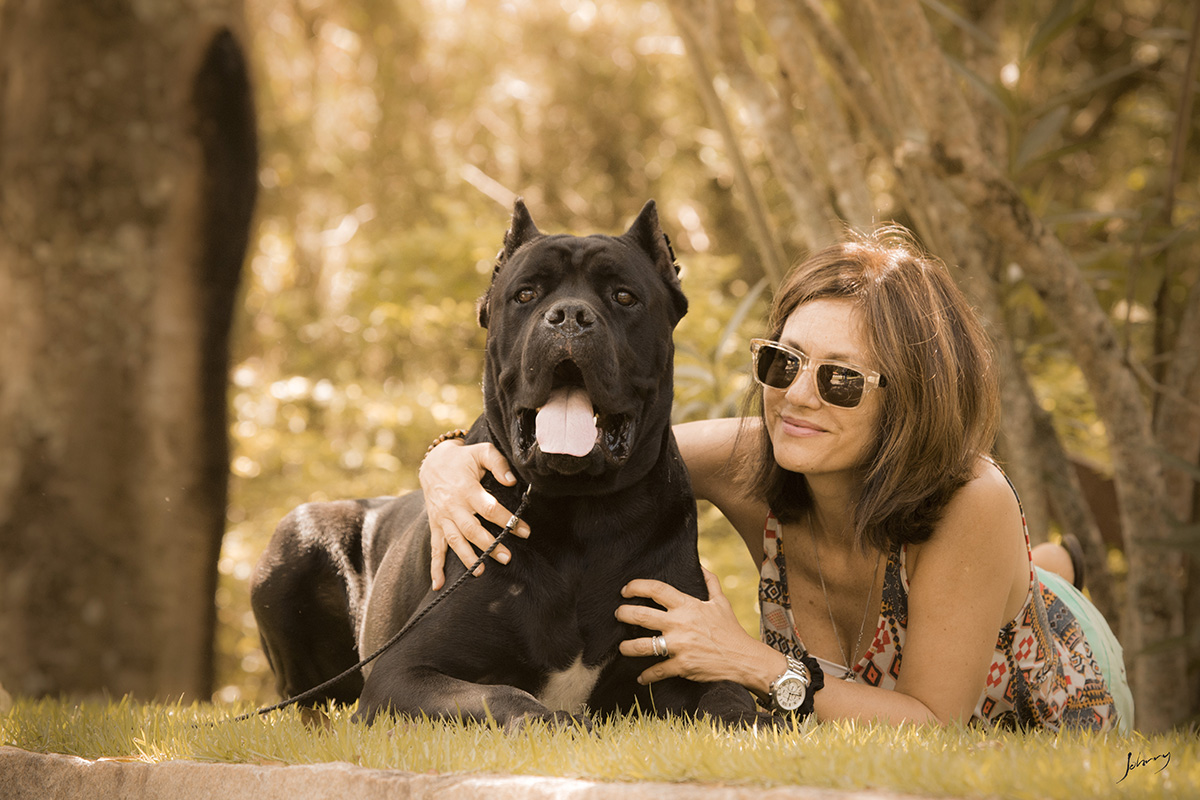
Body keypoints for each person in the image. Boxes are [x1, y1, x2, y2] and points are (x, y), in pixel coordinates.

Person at [419, 226, 1133, 732]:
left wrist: (749, 662)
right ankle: (1047, 564)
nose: (799, 397)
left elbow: (929, 723)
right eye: (782, 364)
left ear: (912, 398)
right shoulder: (751, 458)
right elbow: (585, 451)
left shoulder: (971, 500)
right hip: (883, 644)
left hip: (1038, 688)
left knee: (995, 587)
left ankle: (1052, 574)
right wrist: (446, 460)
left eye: (841, 380)